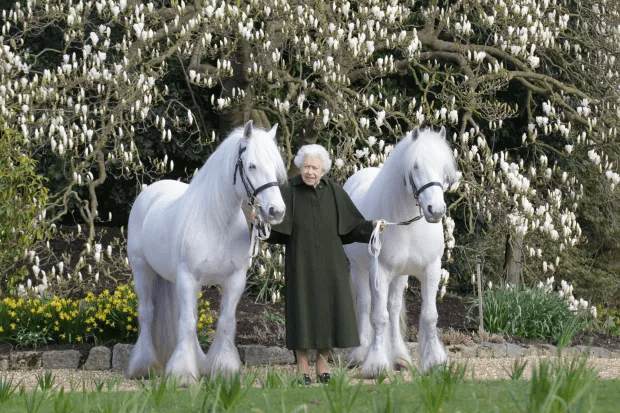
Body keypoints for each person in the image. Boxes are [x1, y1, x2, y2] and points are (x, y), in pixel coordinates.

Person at [265, 144, 386, 385]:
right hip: (300, 263)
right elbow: (275, 229)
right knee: (302, 314)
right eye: (307, 166)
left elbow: (352, 227)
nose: (310, 172)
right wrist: (259, 224)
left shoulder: (335, 191)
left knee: (330, 314)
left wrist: (373, 226)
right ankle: (302, 368)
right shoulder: (288, 190)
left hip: (331, 265)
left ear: (323, 170)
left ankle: (322, 364)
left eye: (315, 168)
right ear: (301, 166)